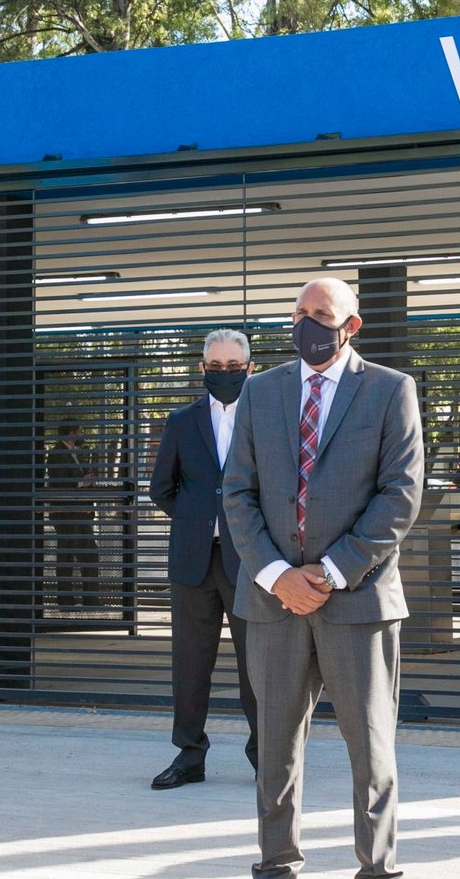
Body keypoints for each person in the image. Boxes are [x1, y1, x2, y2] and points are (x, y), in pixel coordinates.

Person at [223, 277, 424, 879]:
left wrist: (332, 572)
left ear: (351, 325)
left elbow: (401, 494)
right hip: (273, 603)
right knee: (276, 747)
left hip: (358, 602)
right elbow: (237, 492)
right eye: (300, 313)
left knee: (370, 749)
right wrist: (278, 574)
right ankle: (277, 863)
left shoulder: (390, 390)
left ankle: (377, 866)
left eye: (323, 314)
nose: (309, 324)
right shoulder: (259, 392)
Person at [147, 328, 260, 789]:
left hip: (251, 563)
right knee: (190, 665)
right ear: (202, 368)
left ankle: (267, 758)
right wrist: (198, 520)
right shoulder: (181, 421)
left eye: (234, 367)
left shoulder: (266, 419)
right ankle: (189, 756)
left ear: (250, 368)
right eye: (216, 367)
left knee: (258, 666)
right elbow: (162, 488)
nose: (225, 373)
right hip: (193, 563)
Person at [45, 417, 101, 606]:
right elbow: (58, 484)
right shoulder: (56, 454)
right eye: (80, 431)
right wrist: (81, 482)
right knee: (67, 556)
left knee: (89, 554)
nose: (83, 434)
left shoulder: (75, 453)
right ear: (71, 433)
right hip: (66, 514)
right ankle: (66, 599)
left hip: (80, 513)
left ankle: (89, 598)